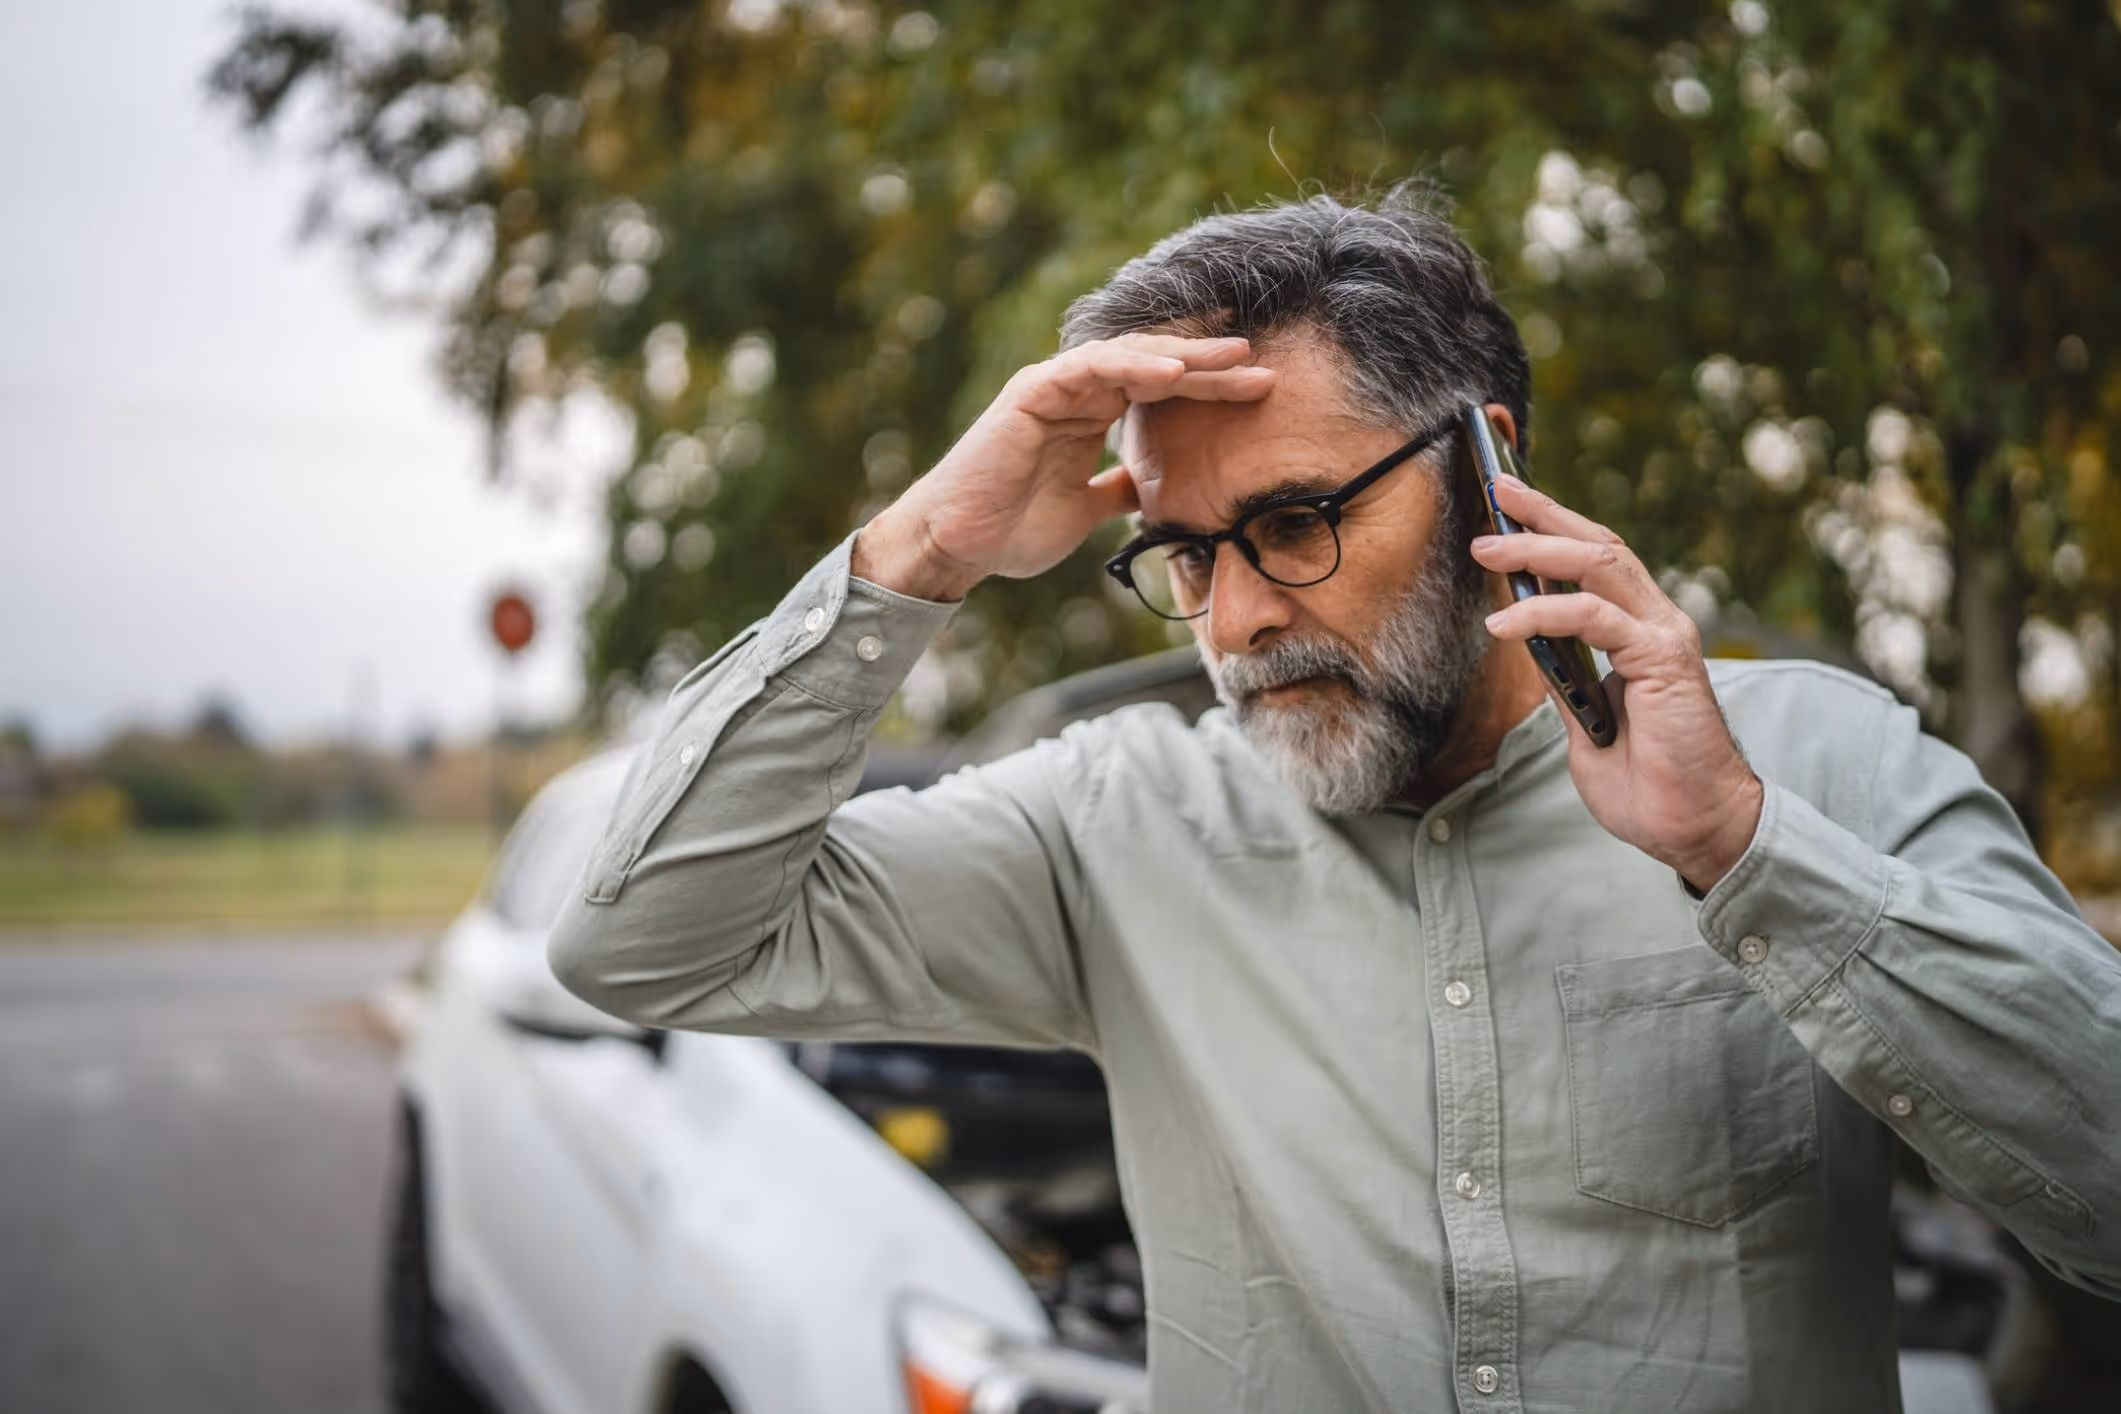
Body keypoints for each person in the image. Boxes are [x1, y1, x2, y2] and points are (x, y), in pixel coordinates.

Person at [548, 185, 2121, 1412]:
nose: (1233, 619)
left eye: (1295, 520)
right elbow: (636, 940)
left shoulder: (1815, 764)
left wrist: (1746, 851)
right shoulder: (1109, 828)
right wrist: (921, 553)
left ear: (1485, 469)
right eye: (1184, 551)